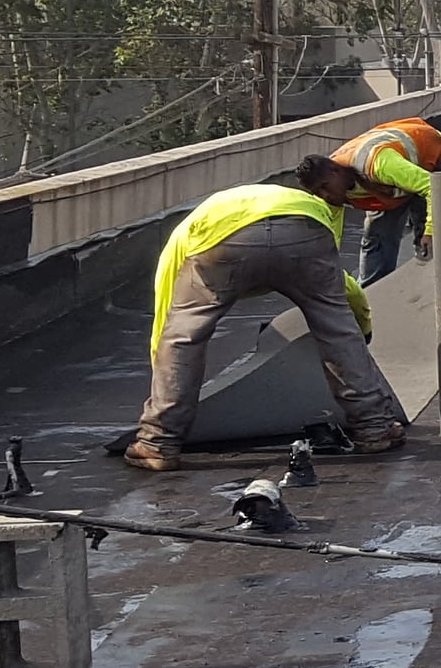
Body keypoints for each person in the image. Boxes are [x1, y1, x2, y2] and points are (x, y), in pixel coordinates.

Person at [126, 157, 406, 473]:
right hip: (306, 231)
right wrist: (362, 326)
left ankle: (158, 443)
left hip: (225, 241)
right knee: (336, 329)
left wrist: (160, 353)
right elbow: (346, 291)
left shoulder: (187, 235)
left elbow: (169, 321)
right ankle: (375, 428)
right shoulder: (301, 202)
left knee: (183, 337)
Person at [332, 116, 441, 283]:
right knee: (378, 239)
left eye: (326, 190)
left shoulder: (378, 164)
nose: (325, 196)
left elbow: (433, 188)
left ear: (335, 176)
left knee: (435, 237)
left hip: (432, 154)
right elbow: (333, 230)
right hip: (389, 177)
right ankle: (371, 295)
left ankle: (434, 286)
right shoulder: (329, 179)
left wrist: (430, 232)